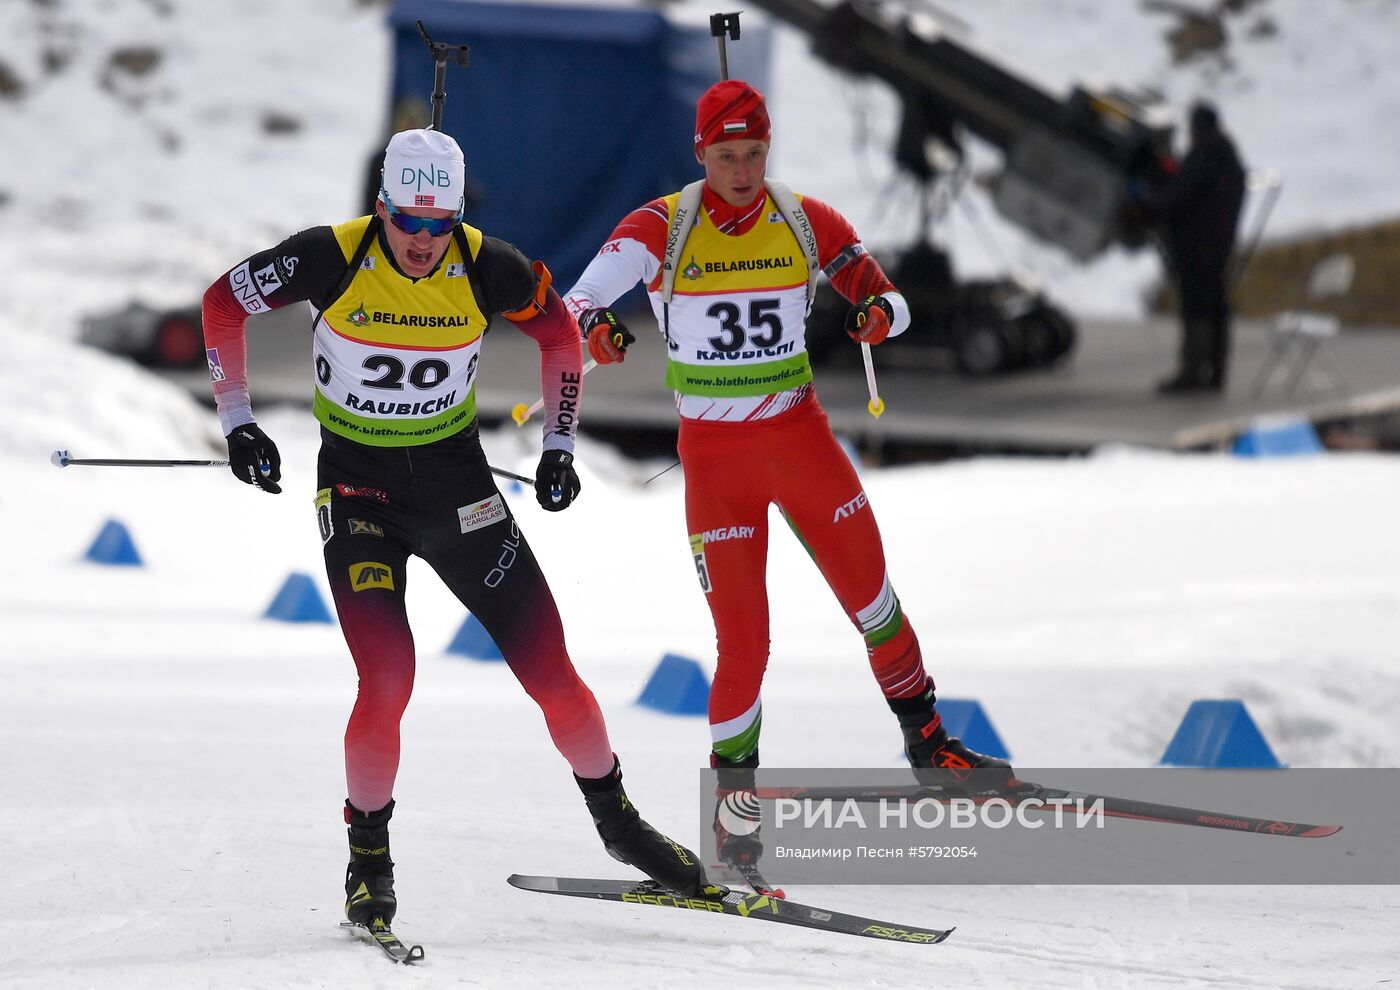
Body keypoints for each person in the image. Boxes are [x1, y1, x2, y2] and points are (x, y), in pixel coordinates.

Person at [200, 128, 706, 929]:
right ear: (383, 207)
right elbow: (222, 302)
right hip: (359, 497)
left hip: (458, 492)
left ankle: (620, 826)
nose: (426, 243)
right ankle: (368, 864)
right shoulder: (329, 255)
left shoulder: (488, 264)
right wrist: (238, 423)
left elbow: (559, 335)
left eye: (442, 224)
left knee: (552, 674)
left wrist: (561, 445)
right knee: (388, 680)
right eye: (410, 223)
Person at [561, 80, 1017, 876]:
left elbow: (889, 297)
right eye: (726, 156)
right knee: (744, 645)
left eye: (755, 154)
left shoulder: (804, 219)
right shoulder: (661, 228)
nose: (742, 171)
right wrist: (595, 325)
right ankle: (736, 830)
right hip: (717, 463)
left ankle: (929, 745)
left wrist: (877, 313)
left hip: (801, 443)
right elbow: (576, 302)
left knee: (874, 600)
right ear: (700, 154)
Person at [1141, 100, 1246, 394]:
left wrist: (1146, 201)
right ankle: (1215, 373)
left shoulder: (1203, 159)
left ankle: (1192, 373)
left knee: (1197, 312)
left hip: (1195, 249)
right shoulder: (1229, 158)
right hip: (1219, 248)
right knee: (1216, 310)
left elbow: (1174, 199)